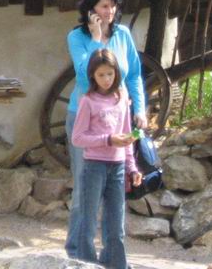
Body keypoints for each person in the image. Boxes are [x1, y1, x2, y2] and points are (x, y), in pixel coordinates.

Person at [64, 0, 145, 258]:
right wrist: (97, 39)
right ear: (91, 9)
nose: (109, 11)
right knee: (84, 189)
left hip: (118, 116)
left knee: (115, 191)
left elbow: (133, 75)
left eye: (112, 5)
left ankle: (111, 255)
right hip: (85, 117)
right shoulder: (77, 37)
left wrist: (139, 109)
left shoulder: (123, 34)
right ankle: (77, 253)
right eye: (103, 6)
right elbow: (84, 75)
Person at [72, 49, 142, 269]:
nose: (106, 79)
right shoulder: (88, 101)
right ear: (93, 76)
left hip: (118, 166)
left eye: (110, 74)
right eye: (101, 75)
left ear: (116, 73)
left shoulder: (121, 99)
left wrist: (132, 167)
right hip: (94, 166)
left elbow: (128, 136)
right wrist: (108, 140)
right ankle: (85, 264)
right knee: (89, 220)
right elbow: (77, 138)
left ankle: (116, 264)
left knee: (116, 223)